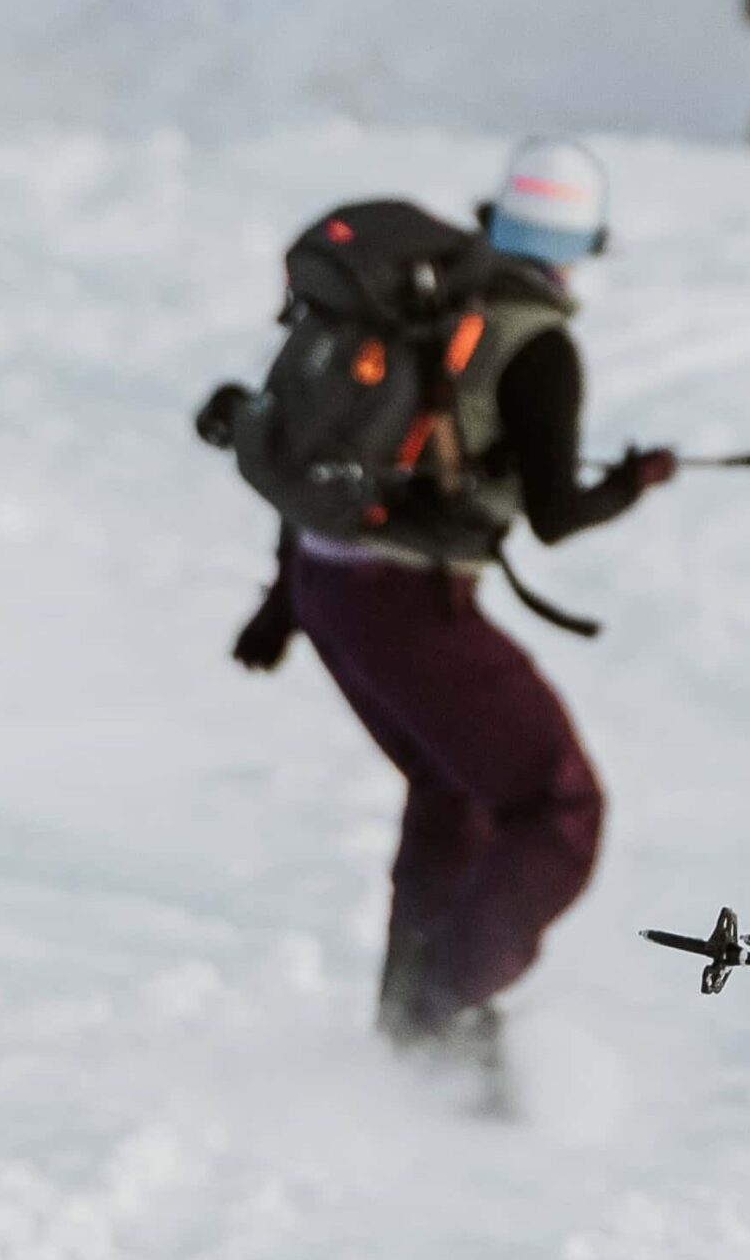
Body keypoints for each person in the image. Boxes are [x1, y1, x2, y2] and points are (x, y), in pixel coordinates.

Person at [228, 139, 676, 1089]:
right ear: (584, 241)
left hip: (328, 583)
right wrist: (634, 484)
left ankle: (407, 1032)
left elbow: (342, 462)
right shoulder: (536, 341)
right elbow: (555, 515)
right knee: (557, 805)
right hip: (403, 602)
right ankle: (446, 1019)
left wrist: (282, 602)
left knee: (455, 792)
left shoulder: (422, 305)